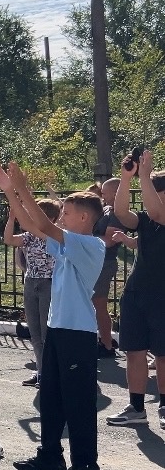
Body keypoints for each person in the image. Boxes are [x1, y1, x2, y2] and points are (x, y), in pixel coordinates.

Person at [0, 163, 107, 470]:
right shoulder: (68, 241)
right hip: (59, 328)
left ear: (84, 218)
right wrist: (9, 191)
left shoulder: (91, 245)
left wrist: (24, 186)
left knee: (78, 401)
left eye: (68, 213)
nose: (63, 218)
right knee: (51, 396)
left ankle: (86, 465)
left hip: (78, 333)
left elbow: (43, 222)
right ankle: (50, 454)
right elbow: (33, 226)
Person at [107, 151, 165, 429]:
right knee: (134, 352)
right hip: (136, 293)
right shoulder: (146, 219)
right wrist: (126, 178)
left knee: (164, 354)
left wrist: (145, 175)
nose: (151, 196)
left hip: (162, 297)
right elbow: (121, 214)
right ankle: (137, 407)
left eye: (156, 191)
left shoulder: (160, 215)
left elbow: (157, 211)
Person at [4, 199, 60, 387]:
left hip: (49, 283)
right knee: (35, 332)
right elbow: (9, 240)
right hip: (31, 282)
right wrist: (11, 218)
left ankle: (50, 373)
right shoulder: (29, 236)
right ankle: (41, 371)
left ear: (50, 218)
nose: (30, 218)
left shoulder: (55, 236)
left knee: (46, 332)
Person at [90, 178, 123, 356]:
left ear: (116, 192)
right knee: (93, 303)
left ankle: (107, 345)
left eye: (105, 191)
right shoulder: (106, 209)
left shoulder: (117, 213)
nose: (102, 194)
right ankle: (104, 339)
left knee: (99, 304)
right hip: (95, 261)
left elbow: (109, 241)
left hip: (105, 262)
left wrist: (85, 240)